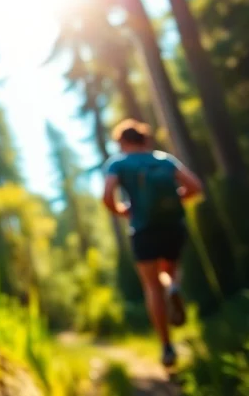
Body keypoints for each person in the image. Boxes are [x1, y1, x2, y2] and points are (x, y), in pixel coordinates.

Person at [101, 119, 203, 368]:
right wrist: (176, 200)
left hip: (143, 230)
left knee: (151, 286)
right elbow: (195, 187)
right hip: (173, 226)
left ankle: (167, 347)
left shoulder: (119, 163)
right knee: (170, 270)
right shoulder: (164, 160)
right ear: (143, 139)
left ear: (123, 141)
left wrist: (123, 211)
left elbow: (107, 196)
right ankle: (174, 287)